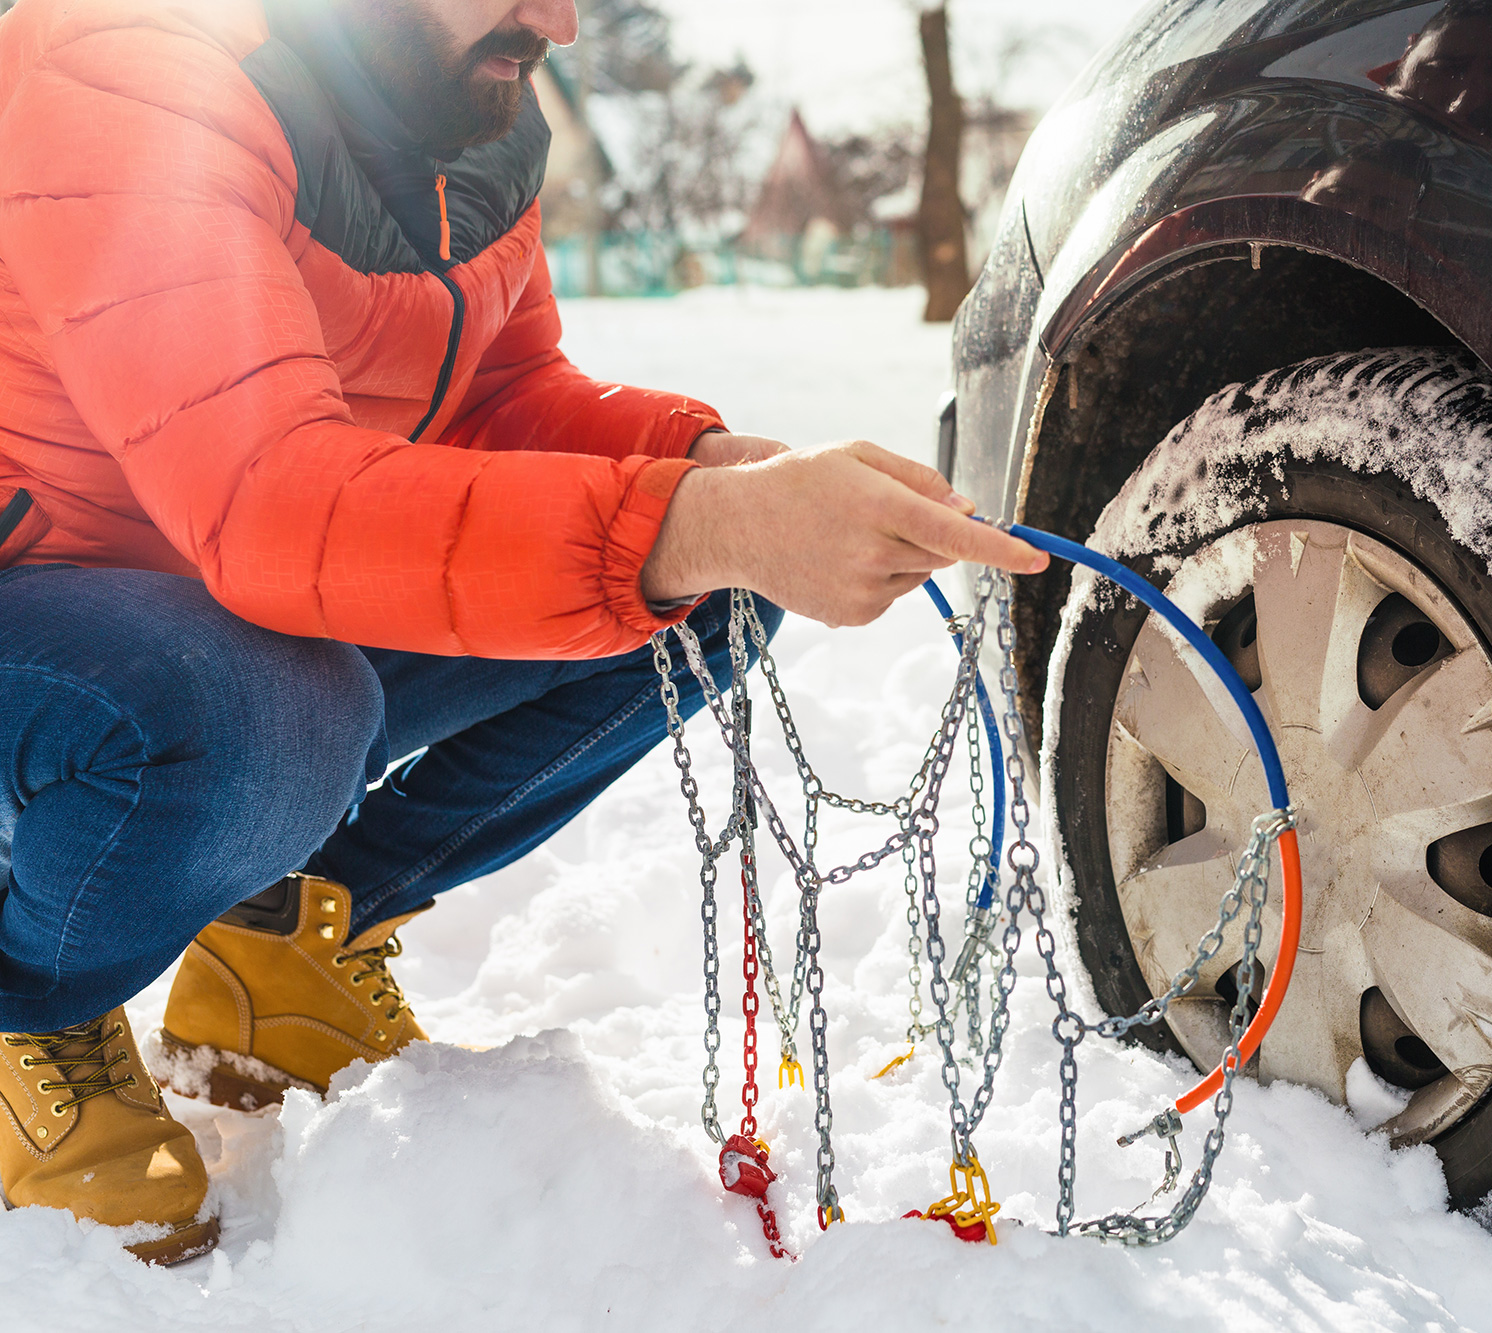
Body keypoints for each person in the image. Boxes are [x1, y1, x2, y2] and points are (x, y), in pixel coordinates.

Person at [0, 0, 1044, 1264]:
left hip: (221, 587)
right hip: (48, 597)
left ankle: (283, 941)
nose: (550, 22)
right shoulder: (127, 71)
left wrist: (714, 470)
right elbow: (273, 504)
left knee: (700, 588)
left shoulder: (466, 112)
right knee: (264, 719)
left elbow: (501, 396)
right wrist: (695, 517)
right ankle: (29, 1005)